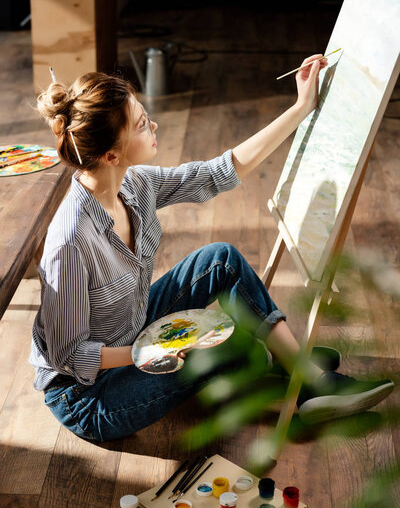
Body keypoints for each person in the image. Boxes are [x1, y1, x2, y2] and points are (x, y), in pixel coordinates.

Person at [29, 55, 394, 442]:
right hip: (89, 395)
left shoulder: (134, 185)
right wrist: (151, 352)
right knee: (235, 345)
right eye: (140, 125)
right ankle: (293, 368)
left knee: (221, 259)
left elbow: (219, 172)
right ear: (111, 155)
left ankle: (302, 374)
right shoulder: (69, 242)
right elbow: (67, 356)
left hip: (130, 329)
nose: (152, 125)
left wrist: (300, 108)